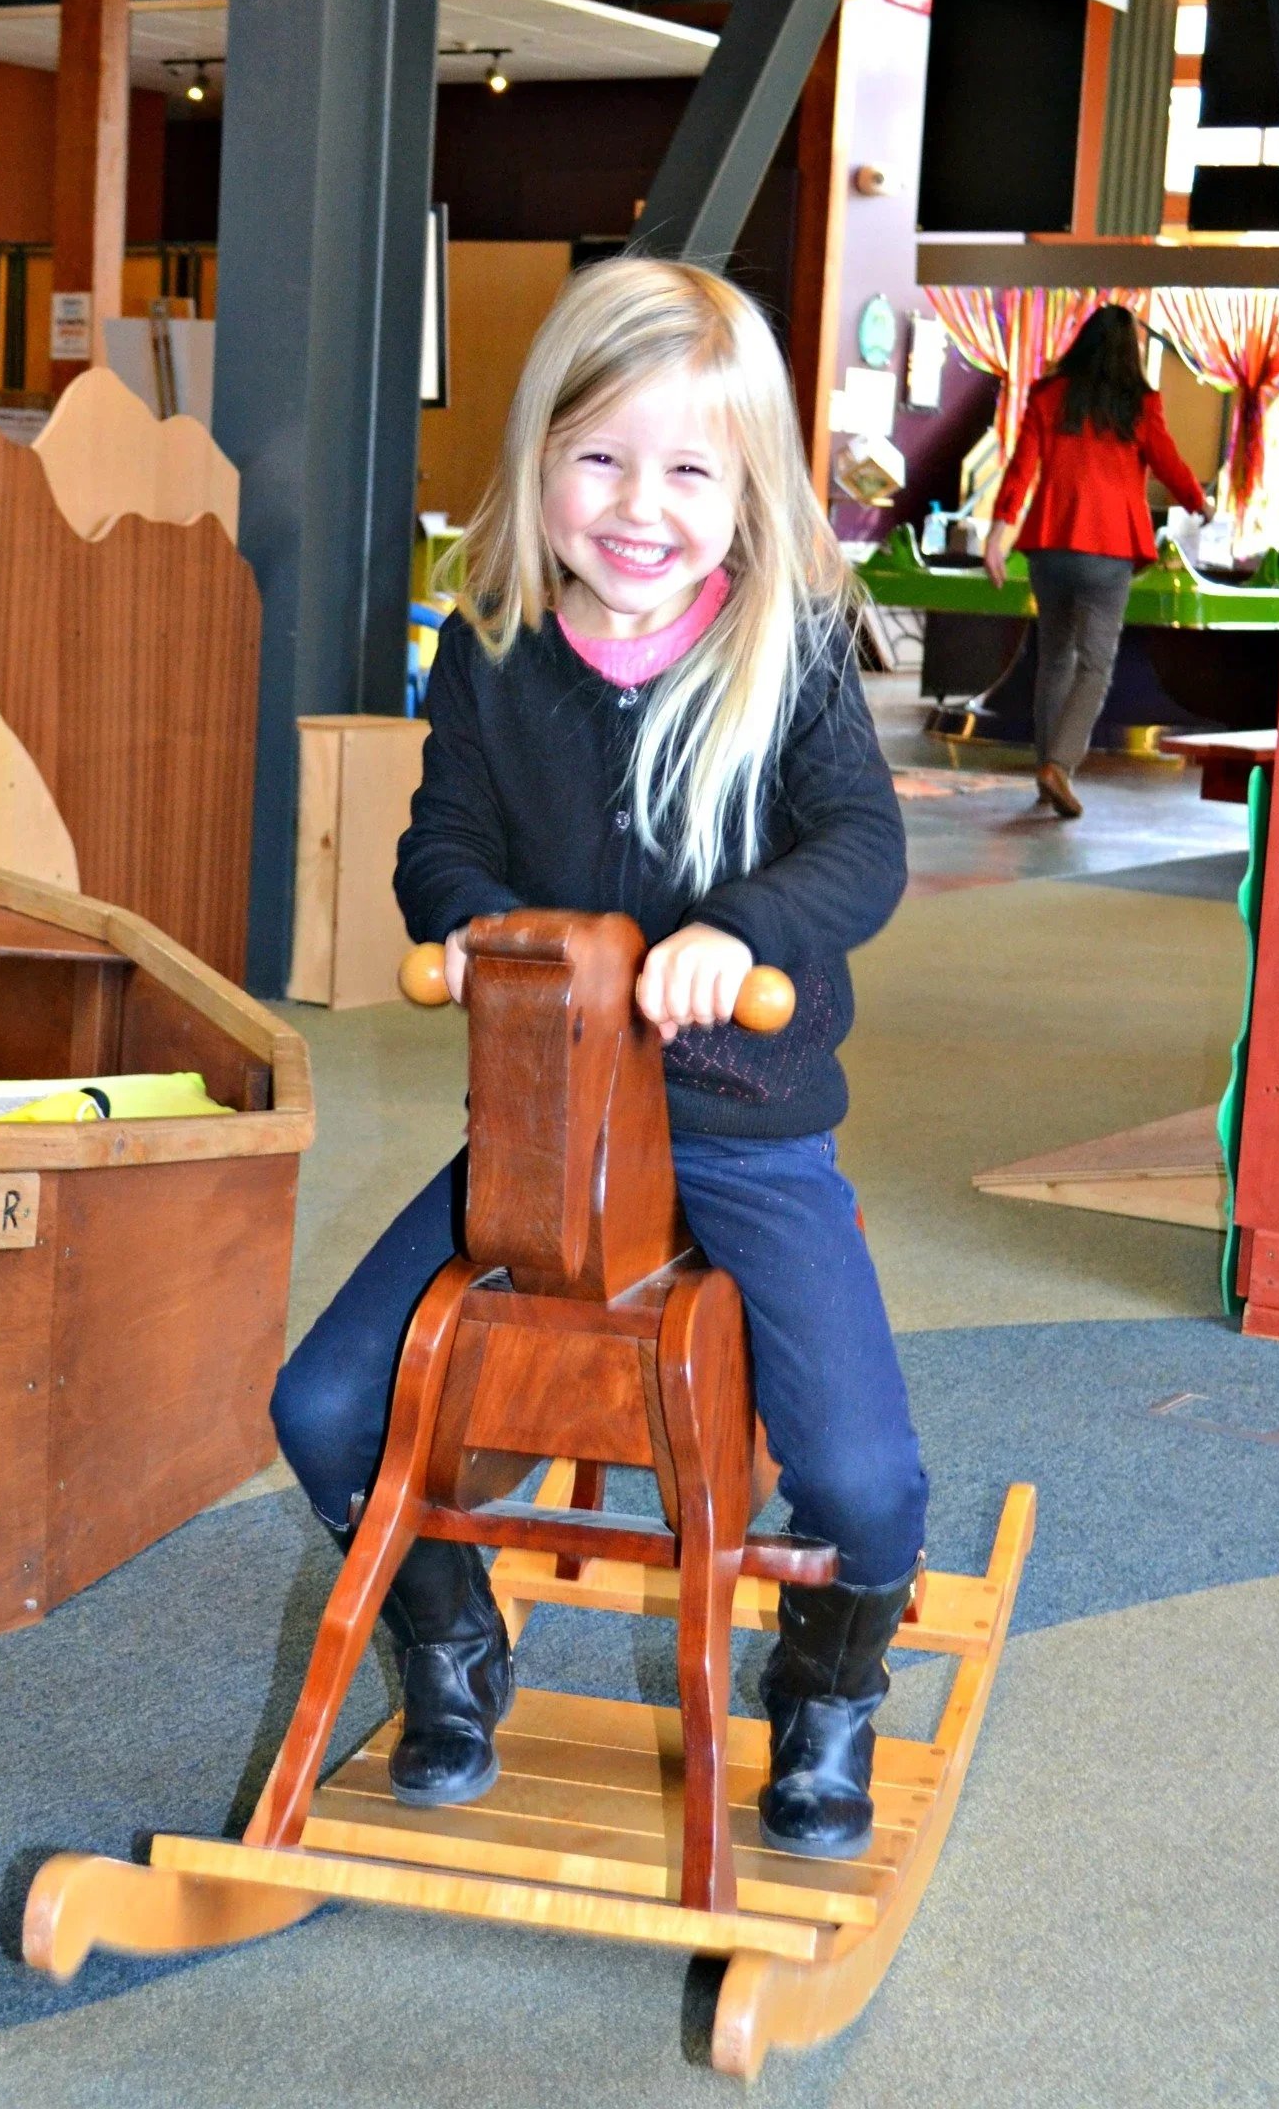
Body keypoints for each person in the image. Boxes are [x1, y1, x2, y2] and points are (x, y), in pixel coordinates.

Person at [268, 257, 928, 1863]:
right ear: (539, 464)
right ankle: (448, 1629)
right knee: (325, 1405)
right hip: (544, 1131)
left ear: (749, 486)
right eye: (602, 460)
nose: (642, 508)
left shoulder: (796, 645)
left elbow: (863, 846)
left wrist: (747, 932)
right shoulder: (491, 648)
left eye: (690, 469)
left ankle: (828, 1685)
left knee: (866, 1480)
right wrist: (506, 942)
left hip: (742, 1124)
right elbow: (443, 844)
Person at [983, 305, 1209, 818]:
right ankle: (1060, 765)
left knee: (1054, 658)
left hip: (1052, 543)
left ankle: (1048, 768)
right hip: (1108, 548)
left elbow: (1021, 468)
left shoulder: (1048, 395)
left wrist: (998, 533)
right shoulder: (1139, 404)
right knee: (1094, 665)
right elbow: (1170, 464)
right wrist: (1200, 501)